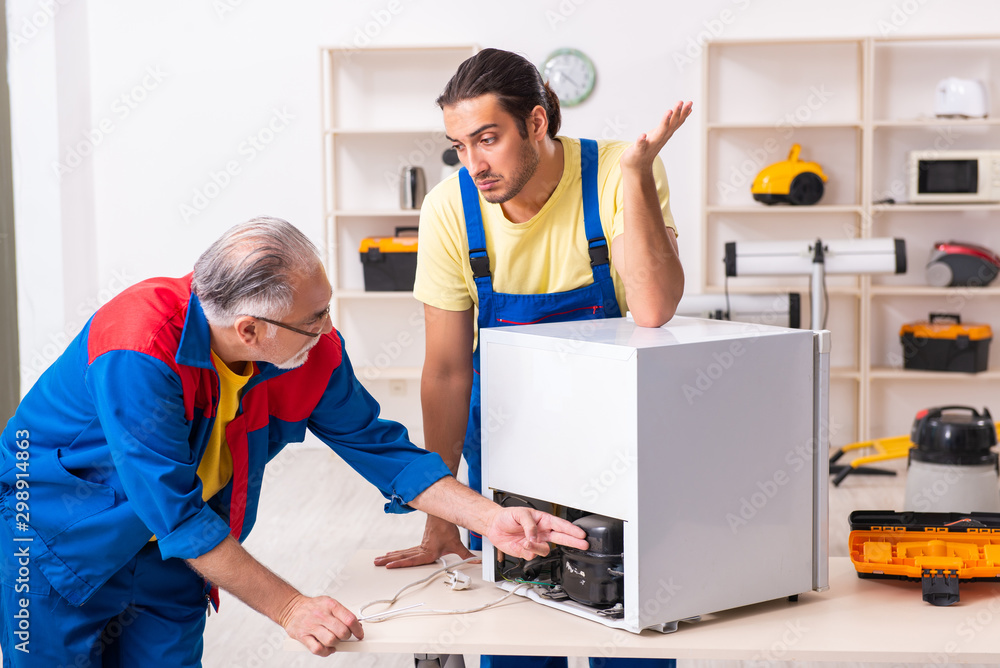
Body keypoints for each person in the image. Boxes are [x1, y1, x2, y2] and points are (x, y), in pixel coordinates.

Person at [0, 217, 588, 666]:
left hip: (177, 556)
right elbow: (174, 511)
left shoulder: (310, 353)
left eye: (326, 307)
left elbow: (382, 448)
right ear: (250, 329)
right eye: (315, 317)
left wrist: (490, 518)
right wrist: (289, 606)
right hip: (53, 538)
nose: (329, 329)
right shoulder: (139, 345)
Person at [374, 48, 689, 667]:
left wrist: (635, 177)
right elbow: (445, 369)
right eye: (458, 145)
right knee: (517, 627)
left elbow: (653, 309)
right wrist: (442, 509)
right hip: (508, 445)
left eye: (487, 139)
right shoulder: (449, 210)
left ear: (538, 123)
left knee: (627, 622)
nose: (473, 164)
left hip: (620, 441)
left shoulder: (615, 175)